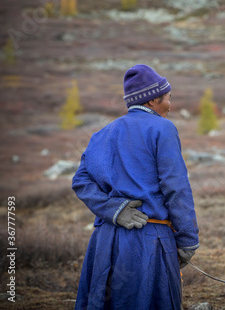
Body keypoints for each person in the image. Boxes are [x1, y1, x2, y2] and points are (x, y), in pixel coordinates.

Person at [72, 64, 199, 309]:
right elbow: (176, 188)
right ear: (153, 100)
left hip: (104, 241)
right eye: (168, 98)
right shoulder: (163, 129)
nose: (170, 105)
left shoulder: (102, 134)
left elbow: (80, 181)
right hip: (149, 241)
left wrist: (113, 210)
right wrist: (187, 240)